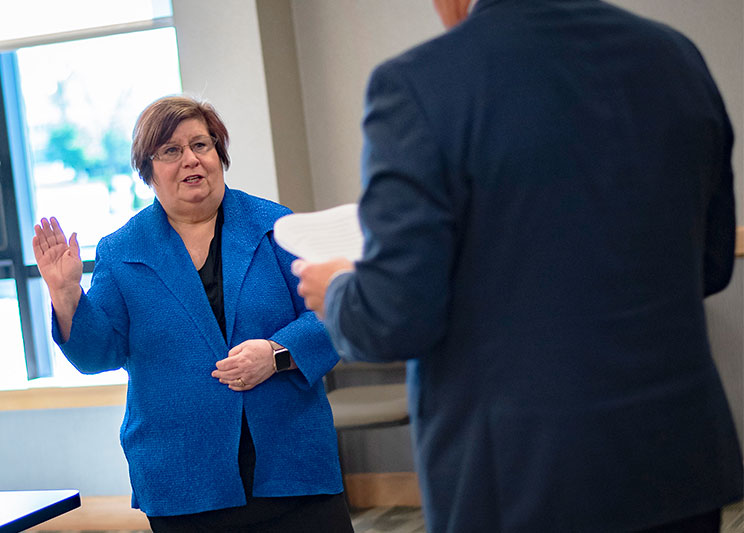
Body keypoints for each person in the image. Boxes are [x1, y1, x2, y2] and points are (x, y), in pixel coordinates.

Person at [293, 0, 742, 531]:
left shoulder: (418, 84)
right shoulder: (676, 57)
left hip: (520, 481)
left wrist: (340, 289)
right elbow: (712, 265)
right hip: (676, 464)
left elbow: (393, 319)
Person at [33, 95, 353, 532]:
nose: (191, 160)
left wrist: (278, 353)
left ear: (219, 154)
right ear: (148, 171)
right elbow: (97, 355)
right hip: (183, 477)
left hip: (292, 466)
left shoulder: (275, 225)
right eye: (171, 151)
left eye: (201, 145)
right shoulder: (121, 251)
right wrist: (66, 295)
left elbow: (331, 315)